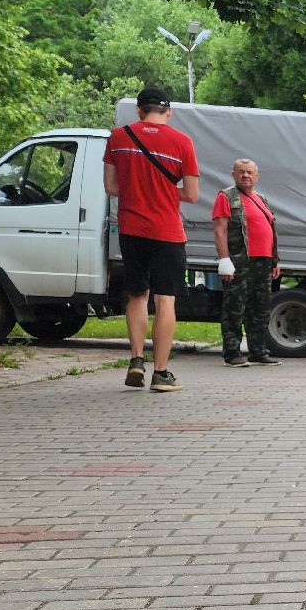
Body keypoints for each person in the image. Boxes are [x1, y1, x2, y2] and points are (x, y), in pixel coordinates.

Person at [104, 86, 199, 393]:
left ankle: (135, 360)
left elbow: (111, 187)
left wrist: (139, 190)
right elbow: (192, 194)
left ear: (139, 109)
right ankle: (161, 373)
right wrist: (164, 191)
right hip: (167, 231)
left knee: (137, 294)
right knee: (165, 298)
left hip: (131, 228)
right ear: (168, 111)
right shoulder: (182, 142)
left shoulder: (118, 137)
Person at [211, 158, 282, 367]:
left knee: (260, 308)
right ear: (233, 174)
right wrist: (224, 260)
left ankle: (258, 351)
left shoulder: (261, 198)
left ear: (256, 176)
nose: (245, 175)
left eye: (250, 172)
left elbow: (270, 230)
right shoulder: (226, 197)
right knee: (235, 306)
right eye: (241, 172)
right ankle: (232, 353)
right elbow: (220, 230)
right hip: (239, 260)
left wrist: (274, 261)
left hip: (263, 261)